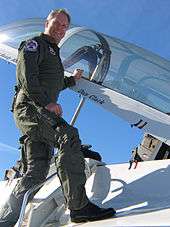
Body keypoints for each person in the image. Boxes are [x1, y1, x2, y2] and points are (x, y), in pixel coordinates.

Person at [0, 9, 116, 226]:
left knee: (36, 172)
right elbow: (27, 77)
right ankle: (79, 207)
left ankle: (5, 221)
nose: (61, 29)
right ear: (47, 22)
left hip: (37, 112)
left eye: (65, 26)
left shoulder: (54, 54)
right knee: (68, 136)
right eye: (58, 23)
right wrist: (47, 103)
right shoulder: (35, 44)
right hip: (31, 108)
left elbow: (53, 83)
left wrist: (72, 80)